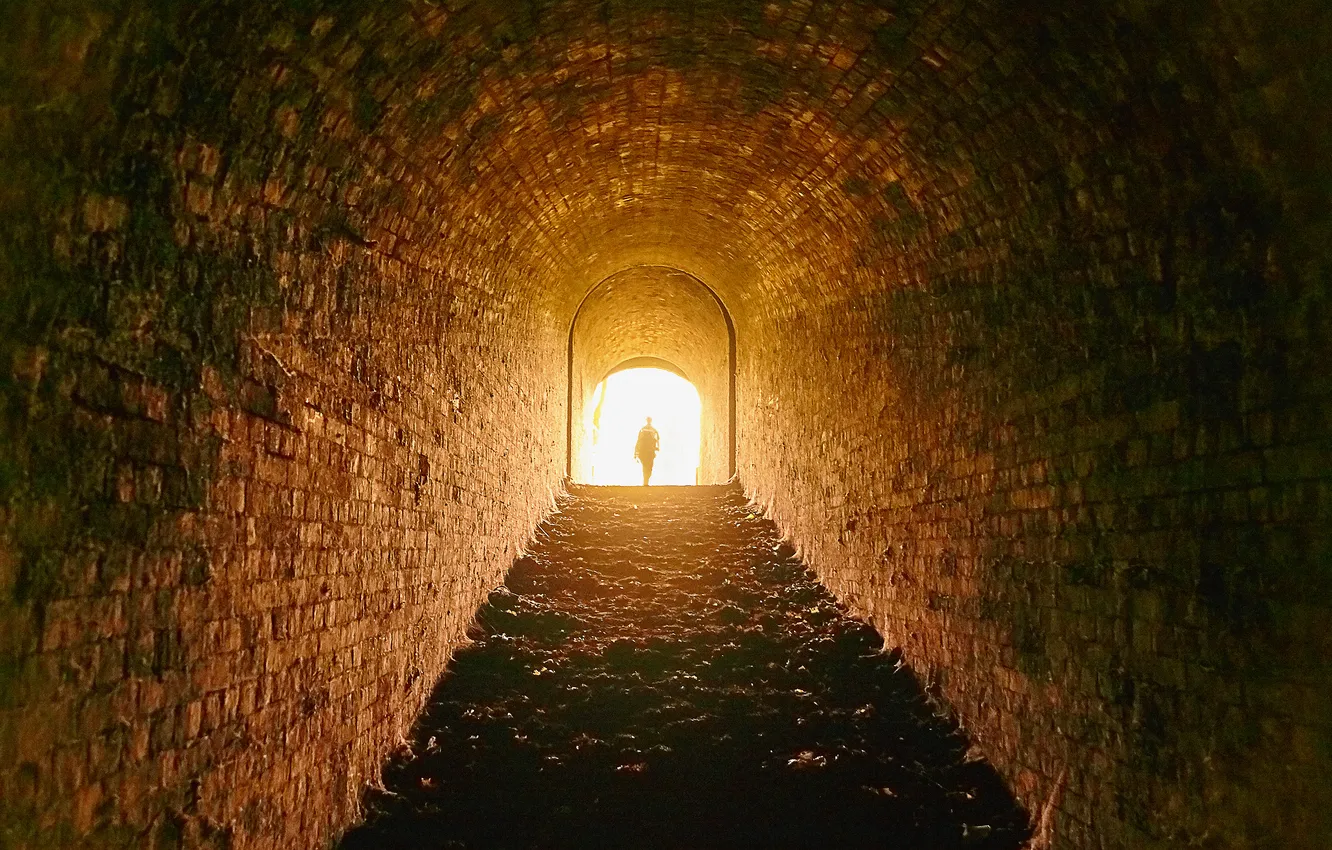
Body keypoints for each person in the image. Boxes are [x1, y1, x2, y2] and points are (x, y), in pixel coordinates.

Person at [633, 417, 660, 486]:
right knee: (649, 466)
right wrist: (657, 447)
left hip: (644, 451)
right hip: (649, 451)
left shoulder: (643, 429)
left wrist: (636, 452)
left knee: (645, 466)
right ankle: (646, 482)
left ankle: (645, 481)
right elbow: (657, 440)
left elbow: (638, 440)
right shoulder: (653, 430)